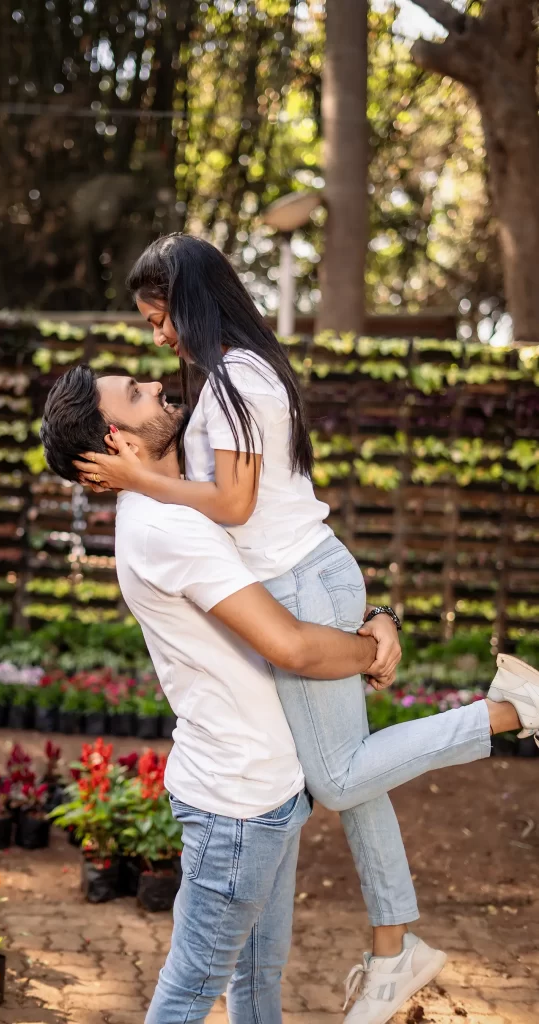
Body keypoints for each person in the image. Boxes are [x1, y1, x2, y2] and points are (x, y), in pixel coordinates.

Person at [41, 362, 539, 1024]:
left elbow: (288, 549)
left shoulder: (174, 499)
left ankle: (505, 716)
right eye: (136, 395)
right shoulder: (165, 527)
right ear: (117, 442)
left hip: (262, 791)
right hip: (238, 805)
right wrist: (370, 649)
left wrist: (374, 616)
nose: (160, 386)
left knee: (256, 981)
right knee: (189, 993)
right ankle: (507, 712)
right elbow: (292, 646)